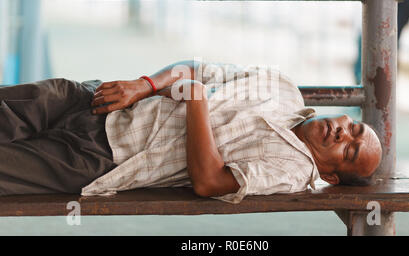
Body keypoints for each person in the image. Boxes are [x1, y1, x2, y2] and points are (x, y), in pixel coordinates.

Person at [0, 60, 382, 204]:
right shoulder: (283, 87)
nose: (343, 134)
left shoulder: (294, 170)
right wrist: (144, 84)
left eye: (349, 151)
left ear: (330, 175)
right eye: (355, 129)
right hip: (102, 101)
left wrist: (196, 100)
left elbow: (210, 181)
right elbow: (198, 68)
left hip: (103, 157)